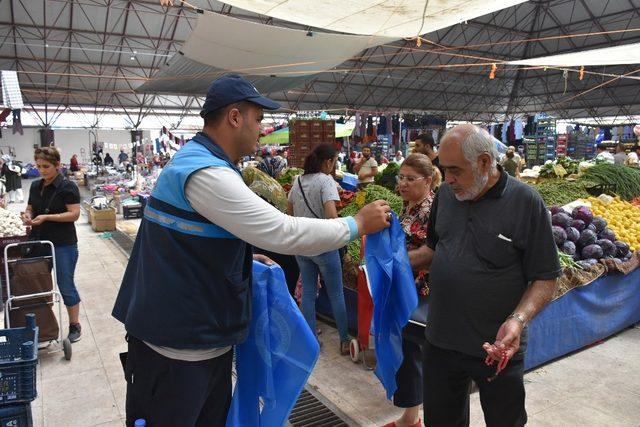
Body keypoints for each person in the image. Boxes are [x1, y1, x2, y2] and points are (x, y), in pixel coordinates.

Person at [111, 74, 392, 426]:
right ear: (234, 117)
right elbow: (282, 231)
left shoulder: (199, 160)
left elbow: (196, 238)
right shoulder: (206, 173)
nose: (261, 129)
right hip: (176, 348)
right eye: (258, 119)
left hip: (199, 341)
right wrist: (357, 225)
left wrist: (239, 255)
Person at [408, 124, 561, 427]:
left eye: (455, 170)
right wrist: (393, 264)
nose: (447, 179)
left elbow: (545, 278)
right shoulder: (446, 197)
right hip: (441, 340)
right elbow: (434, 250)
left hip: (496, 347)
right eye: (444, 169)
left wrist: (518, 320)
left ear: (485, 162)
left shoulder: (526, 202)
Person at [384, 153, 436, 427]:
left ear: (428, 181)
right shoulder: (408, 205)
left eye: (410, 179)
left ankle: (412, 418)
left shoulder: (431, 209)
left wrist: (393, 263)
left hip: (421, 292)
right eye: (401, 177)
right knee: (407, 352)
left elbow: (431, 254)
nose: (403, 183)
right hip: (404, 289)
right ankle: (410, 416)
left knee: (414, 352)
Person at [287, 143, 349, 353]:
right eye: (334, 161)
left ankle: (311, 341)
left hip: (302, 246)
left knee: (308, 294)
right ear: (328, 161)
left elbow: (289, 212)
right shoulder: (326, 181)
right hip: (324, 245)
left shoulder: (298, 181)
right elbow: (332, 217)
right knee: (336, 294)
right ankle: (343, 340)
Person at [21, 147, 83, 342]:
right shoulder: (34, 186)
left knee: (65, 284)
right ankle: (43, 323)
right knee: (37, 283)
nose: (42, 170)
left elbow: (74, 214)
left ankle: (74, 324)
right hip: (39, 242)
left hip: (63, 244)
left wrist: (47, 216)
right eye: (38, 166)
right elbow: (30, 207)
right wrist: (27, 216)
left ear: (57, 165)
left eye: (46, 166)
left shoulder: (68, 187)